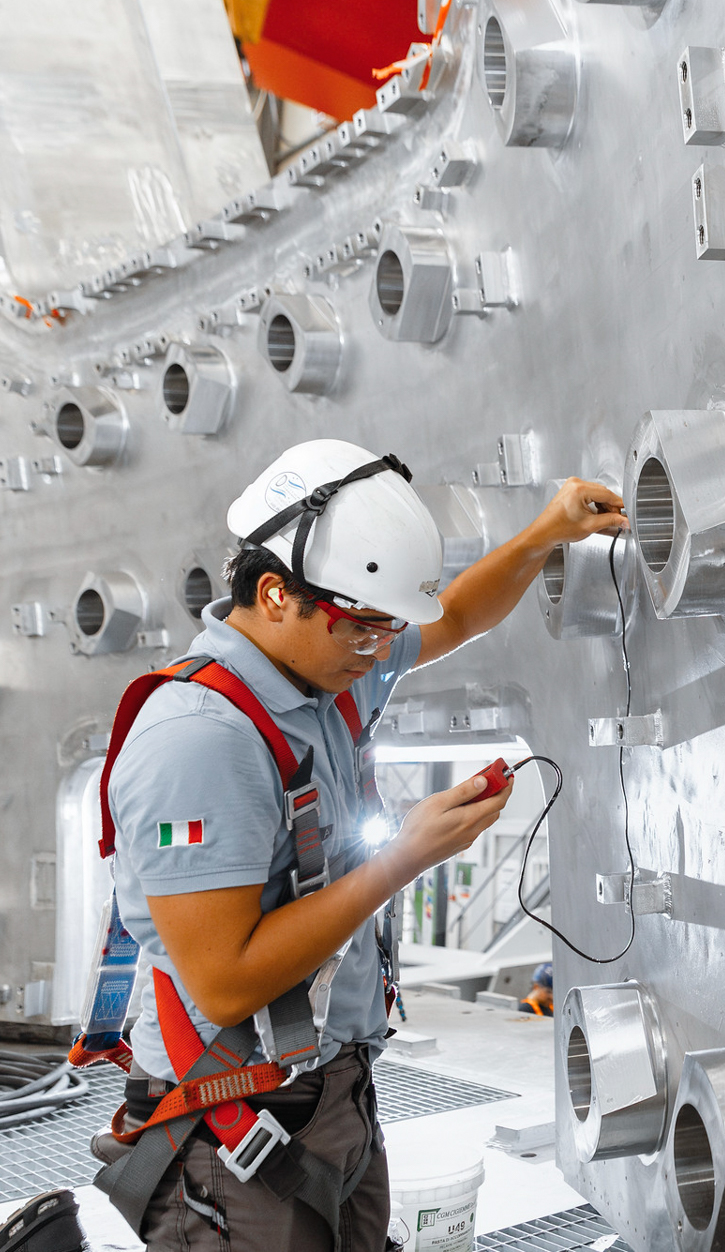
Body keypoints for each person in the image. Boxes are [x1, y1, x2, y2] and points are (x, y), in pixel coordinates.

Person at [88, 440, 625, 1251]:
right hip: (234, 1123)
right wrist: (402, 859)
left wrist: (545, 532)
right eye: (364, 630)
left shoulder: (324, 669)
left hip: (331, 1092)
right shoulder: (200, 740)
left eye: (386, 629)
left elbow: (457, 616)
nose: (380, 649)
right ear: (276, 594)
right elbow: (225, 984)